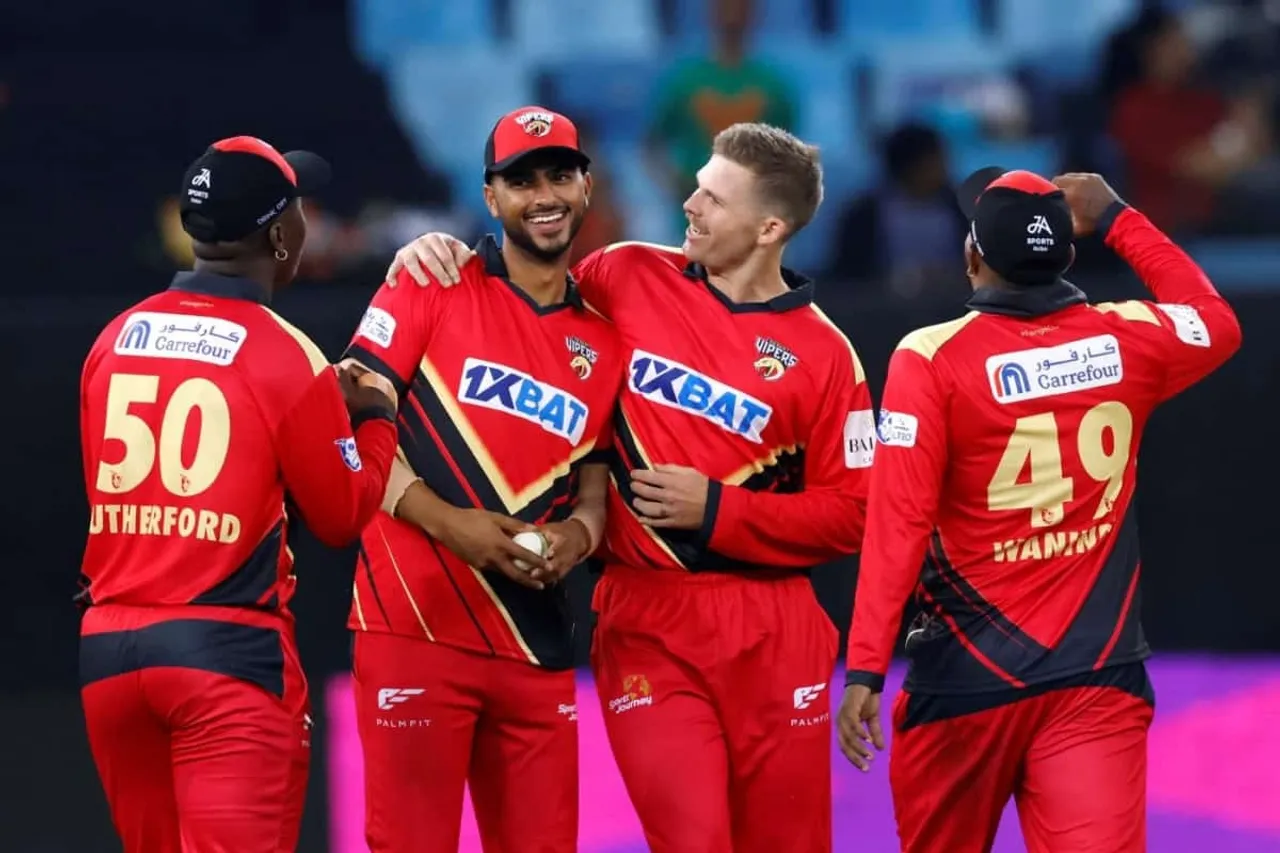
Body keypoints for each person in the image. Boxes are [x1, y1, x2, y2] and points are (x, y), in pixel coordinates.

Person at [387, 120, 873, 853]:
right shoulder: (624, 275)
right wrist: (446, 254)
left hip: (777, 627)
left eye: (713, 198)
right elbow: (526, 297)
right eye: (696, 187)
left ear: (770, 227)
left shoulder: (828, 354)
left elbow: (856, 513)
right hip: (648, 620)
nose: (689, 205)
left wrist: (719, 510)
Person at [838, 169, 1242, 852]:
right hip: (1095, 677)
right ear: (1071, 256)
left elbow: (898, 522)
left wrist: (865, 669)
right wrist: (1117, 215)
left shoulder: (929, 358)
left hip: (966, 683)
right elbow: (1216, 321)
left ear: (971, 256)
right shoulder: (1128, 339)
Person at [78, 136, 400, 853]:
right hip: (224, 655)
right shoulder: (286, 353)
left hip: (110, 655)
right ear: (282, 236)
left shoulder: (114, 337)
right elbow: (342, 515)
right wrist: (376, 416)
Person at [344, 106, 624, 853]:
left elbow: (593, 486)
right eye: (521, 179)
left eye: (560, 175)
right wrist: (449, 522)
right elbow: (348, 417)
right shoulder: (428, 282)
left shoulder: (604, 337)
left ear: (586, 187)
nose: (544, 195)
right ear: (491, 196)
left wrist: (578, 534)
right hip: (414, 625)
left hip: (535, 644)